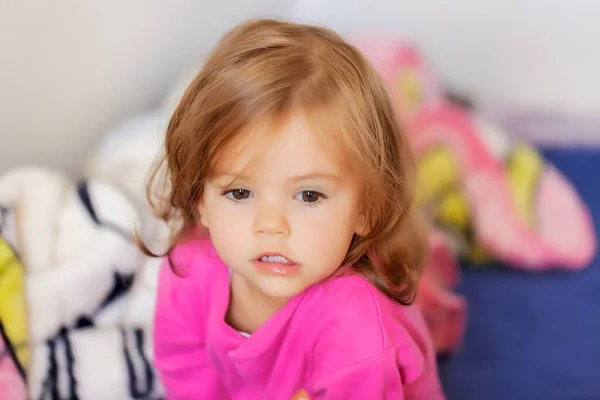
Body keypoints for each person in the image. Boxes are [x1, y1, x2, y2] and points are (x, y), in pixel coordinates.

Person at [141, 17, 445, 399]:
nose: (271, 226)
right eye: (239, 193)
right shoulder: (187, 269)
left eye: (309, 196)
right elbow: (185, 372)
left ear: (367, 208)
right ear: (201, 199)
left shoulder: (356, 332)